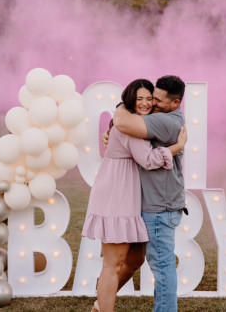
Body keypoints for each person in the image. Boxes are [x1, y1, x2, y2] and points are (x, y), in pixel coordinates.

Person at [81, 79, 187, 312]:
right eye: (140, 98)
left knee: (134, 259)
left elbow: (125, 131)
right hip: (117, 193)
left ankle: (101, 301)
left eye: (151, 99)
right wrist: (177, 147)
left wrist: (117, 120)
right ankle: (104, 306)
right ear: (130, 99)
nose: (148, 103)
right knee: (113, 262)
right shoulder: (129, 125)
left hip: (131, 194)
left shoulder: (137, 122)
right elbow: (149, 160)